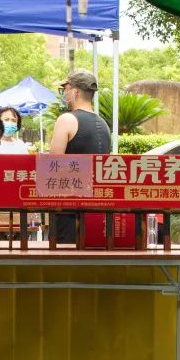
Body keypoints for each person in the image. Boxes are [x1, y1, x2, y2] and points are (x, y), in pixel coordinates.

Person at [49, 70, 112, 243]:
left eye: (66, 89)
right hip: (98, 206)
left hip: (69, 207)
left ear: (75, 92)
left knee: (65, 258)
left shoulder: (67, 120)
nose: (64, 94)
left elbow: (52, 164)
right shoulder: (103, 124)